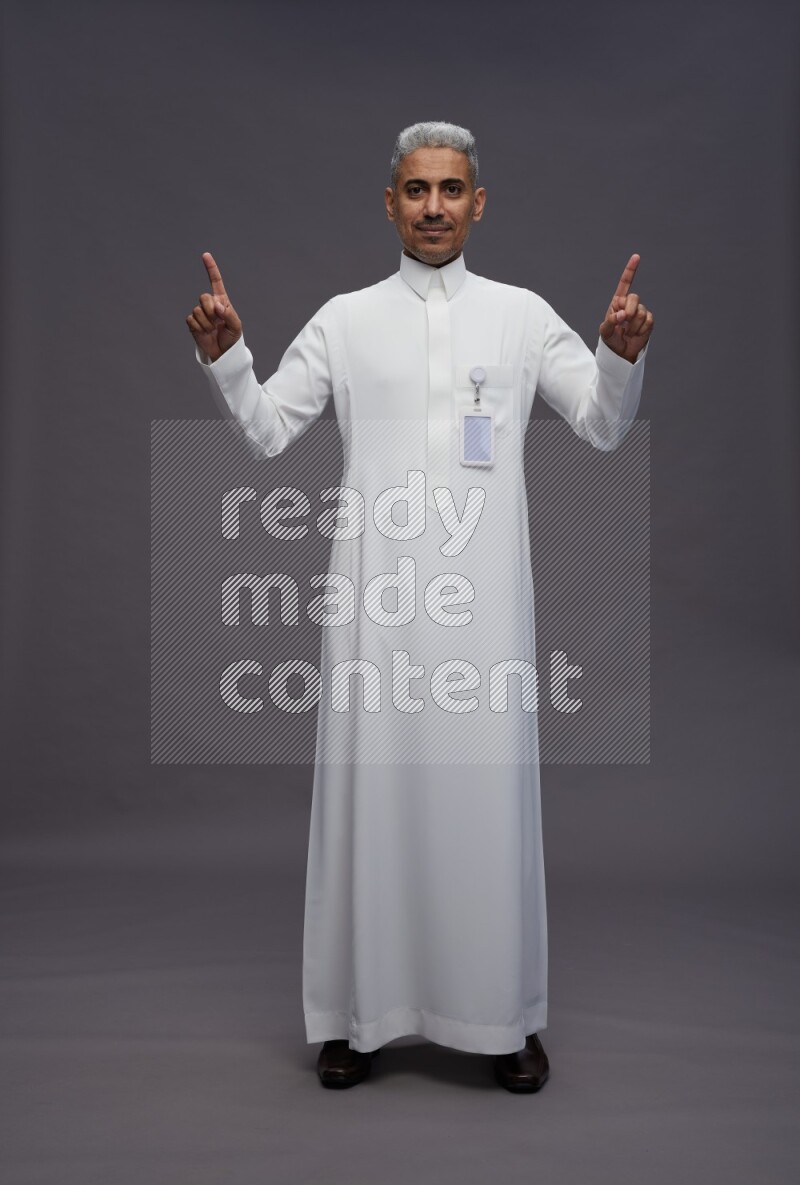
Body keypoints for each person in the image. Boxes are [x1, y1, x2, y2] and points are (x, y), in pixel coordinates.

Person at [186, 121, 654, 1093]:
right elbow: (270, 433)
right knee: (370, 798)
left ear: (477, 204)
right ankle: (355, 1018)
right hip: (375, 605)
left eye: (450, 190)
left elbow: (604, 426)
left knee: (488, 807)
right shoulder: (346, 319)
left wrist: (616, 356)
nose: (433, 207)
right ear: (389, 202)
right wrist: (230, 360)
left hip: (485, 611)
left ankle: (504, 1020)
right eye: (415, 190)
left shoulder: (521, 317)